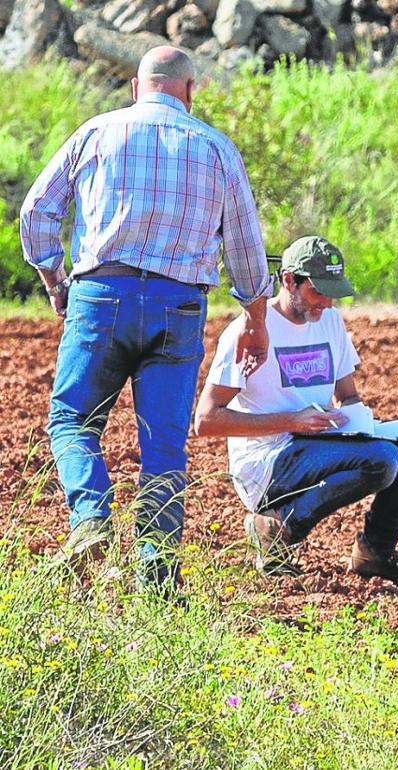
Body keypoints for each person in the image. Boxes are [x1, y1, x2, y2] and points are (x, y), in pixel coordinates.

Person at [19, 46, 271, 589]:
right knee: (162, 443)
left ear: (137, 87)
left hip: (101, 295)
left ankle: (90, 518)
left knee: (72, 421)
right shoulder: (216, 148)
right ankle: (155, 570)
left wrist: (54, 280)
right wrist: (256, 318)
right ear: (190, 91)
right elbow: (246, 247)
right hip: (179, 306)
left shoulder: (96, 132)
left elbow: (37, 210)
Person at [194, 236, 398, 586]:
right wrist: (291, 421)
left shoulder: (329, 321)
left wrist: (364, 423)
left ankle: (376, 550)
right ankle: (277, 527)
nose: (325, 303)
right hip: (268, 460)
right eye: (317, 292)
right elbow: (206, 421)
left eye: (332, 294)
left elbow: (348, 395)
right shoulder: (250, 331)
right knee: (382, 460)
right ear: (289, 280)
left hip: (317, 441)